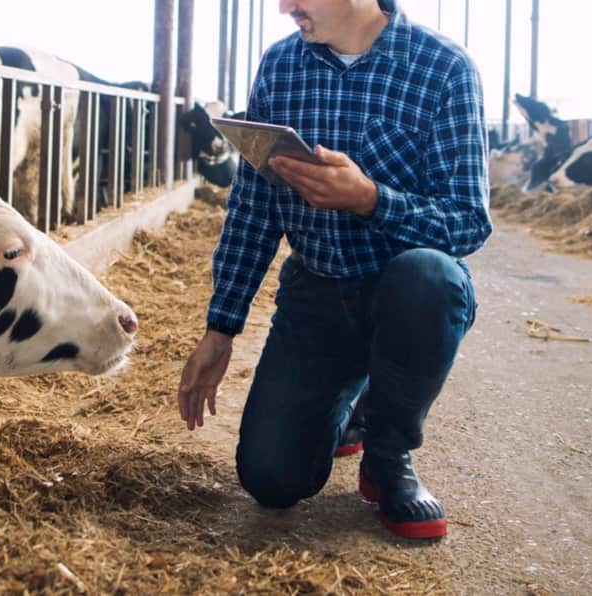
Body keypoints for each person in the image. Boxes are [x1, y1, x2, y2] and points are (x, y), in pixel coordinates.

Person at [176, 0, 490, 539]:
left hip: (405, 292)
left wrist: (371, 198)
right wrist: (220, 327)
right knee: (271, 481)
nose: (284, 7)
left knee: (429, 278)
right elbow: (254, 207)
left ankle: (388, 454)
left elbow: (468, 223)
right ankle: (351, 396)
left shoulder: (444, 69)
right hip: (316, 294)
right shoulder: (281, 66)